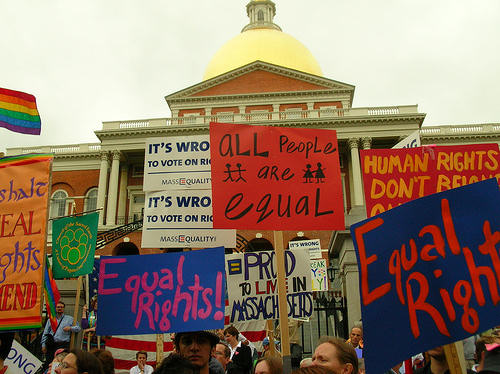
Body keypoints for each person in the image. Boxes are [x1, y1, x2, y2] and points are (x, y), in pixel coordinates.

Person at [42, 301, 81, 368]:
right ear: (55, 308)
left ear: (64, 308)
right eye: (58, 307)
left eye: (61, 307)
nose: (60, 308)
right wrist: (43, 345)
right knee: (50, 363)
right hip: (51, 344)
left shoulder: (69, 319)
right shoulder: (51, 320)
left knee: (60, 363)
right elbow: (45, 333)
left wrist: (70, 328)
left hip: (63, 344)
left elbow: (78, 328)